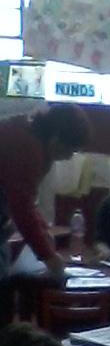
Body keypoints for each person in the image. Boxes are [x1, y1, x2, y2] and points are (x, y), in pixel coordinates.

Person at [0, 104, 91, 285]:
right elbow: (22, 209)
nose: (69, 157)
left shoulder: (25, 132)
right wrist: (48, 257)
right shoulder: (27, 148)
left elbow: (25, 202)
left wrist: (43, 232)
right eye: (70, 150)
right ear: (57, 139)